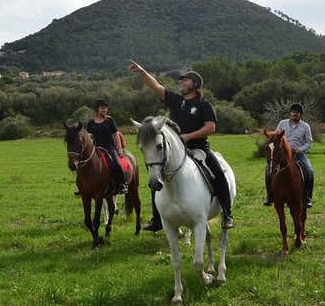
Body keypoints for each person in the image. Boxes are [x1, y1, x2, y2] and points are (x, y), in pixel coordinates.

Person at [128, 60, 234, 230]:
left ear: (195, 85)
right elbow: (156, 86)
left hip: (200, 149)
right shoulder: (176, 100)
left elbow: (211, 127)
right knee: (157, 176)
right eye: (181, 80)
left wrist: (188, 136)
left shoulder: (203, 104)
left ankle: (227, 214)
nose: (181, 83)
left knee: (219, 173)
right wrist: (141, 71)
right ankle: (157, 219)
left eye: (185, 80)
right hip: (177, 150)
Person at [264, 103, 314, 208]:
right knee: (268, 171)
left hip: (298, 155)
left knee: (309, 171)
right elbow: (275, 137)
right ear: (290, 113)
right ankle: (269, 196)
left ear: (300, 115)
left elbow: (309, 142)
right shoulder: (282, 123)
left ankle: (308, 197)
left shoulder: (305, 127)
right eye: (293, 112)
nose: (295, 114)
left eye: (297, 112)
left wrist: (300, 149)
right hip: (282, 155)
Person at [86, 99, 128, 195]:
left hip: (109, 147)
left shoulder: (109, 120)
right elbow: (89, 136)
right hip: (96, 147)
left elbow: (116, 134)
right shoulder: (91, 123)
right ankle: (82, 186)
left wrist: (119, 149)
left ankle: (123, 184)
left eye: (105, 108)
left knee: (116, 164)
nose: (104, 109)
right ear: (97, 109)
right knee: (85, 164)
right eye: (102, 108)